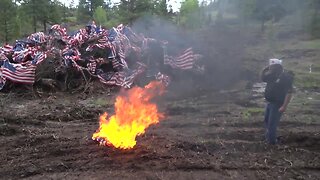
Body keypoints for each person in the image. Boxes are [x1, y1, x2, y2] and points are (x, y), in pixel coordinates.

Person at [261, 61, 294, 144]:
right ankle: (269, 138)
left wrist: (284, 106)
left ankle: (272, 143)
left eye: (272, 66)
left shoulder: (285, 77)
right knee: (267, 121)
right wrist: (265, 69)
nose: (270, 68)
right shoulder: (272, 75)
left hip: (277, 104)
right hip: (269, 102)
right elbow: (262, 78)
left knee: (272, 123)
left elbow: (289, 92)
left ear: (277, 67)